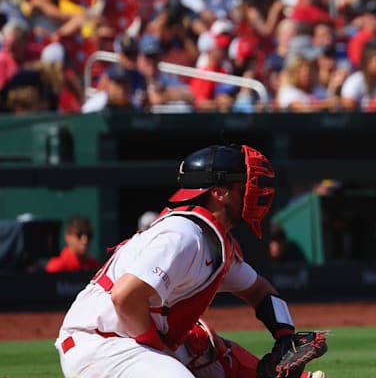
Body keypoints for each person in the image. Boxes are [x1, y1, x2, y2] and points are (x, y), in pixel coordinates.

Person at [55, 144, 327, 378]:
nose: (256, 192)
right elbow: (124, 297)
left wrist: (285, 336)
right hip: (100, 344)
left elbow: (259, 290)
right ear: (220, 193)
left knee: (212, 352)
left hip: (129, 338)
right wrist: (162, 353)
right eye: (246, 184)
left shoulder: (213, 240)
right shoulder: (183, 234)